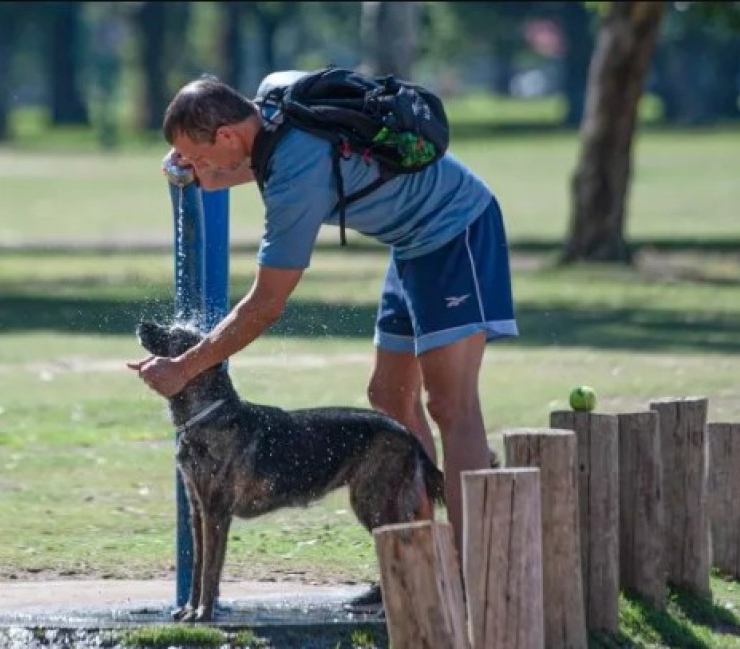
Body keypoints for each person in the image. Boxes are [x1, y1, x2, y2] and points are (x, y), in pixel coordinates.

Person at [127, 71, 519, 614]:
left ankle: (479, 575)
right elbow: (259, 165)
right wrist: (205, 175)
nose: (190, 167)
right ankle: (418, 562)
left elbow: (265, 305)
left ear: (224, 137)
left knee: (451, 405)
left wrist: (187, 367)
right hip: (410, 243)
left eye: (194, 156)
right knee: (389, 397)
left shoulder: (293, 181)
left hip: (456, 230)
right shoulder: (271, 100)